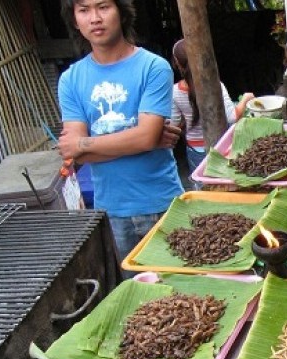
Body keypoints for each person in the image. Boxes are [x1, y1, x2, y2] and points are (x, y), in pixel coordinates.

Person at [57, 0, 183, 268]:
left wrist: (85, 143)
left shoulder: (153, 67)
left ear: (122, 12)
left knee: (180, 295)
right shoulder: (70, 80)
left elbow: (145, 137)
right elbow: (74, 152)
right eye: (84, 10)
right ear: (75, 20)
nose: (95, 18)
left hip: (161, 204)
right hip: (111, 211)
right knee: (137, 302)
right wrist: (139, 138)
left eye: (103, 7)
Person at [170, 38, 254, 187]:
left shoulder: (175, 91)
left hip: (195, 149)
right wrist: (246, 99)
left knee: (203, 186)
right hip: (221, 146)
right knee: (226, 184)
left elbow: (175, 124)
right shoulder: (216, 85)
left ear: (177, 63)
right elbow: (232, 116)